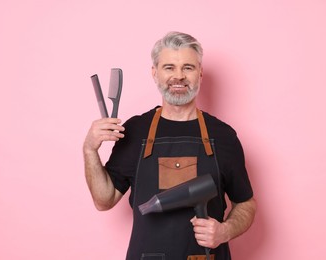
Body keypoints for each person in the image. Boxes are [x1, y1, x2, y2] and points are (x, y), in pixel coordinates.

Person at [83, 31, 256, 260]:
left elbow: (246, 204)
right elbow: (104, 200)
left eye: (188, 67)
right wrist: (89, 149)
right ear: (154, 73)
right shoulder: (135, 131)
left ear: (200, 73)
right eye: (169, 67)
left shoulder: (223, 136)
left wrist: (224, 231)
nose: (179, 76)